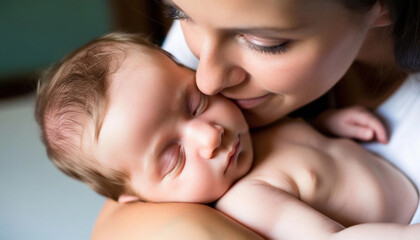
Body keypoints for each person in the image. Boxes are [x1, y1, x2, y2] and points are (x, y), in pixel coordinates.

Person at [36, 33, 420, 240]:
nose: (209, 136)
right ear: (138, 197)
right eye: (174, 158)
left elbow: (305, 143)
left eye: (196, 103)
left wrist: (329, 124)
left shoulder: (257, 121)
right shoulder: (250, 202)